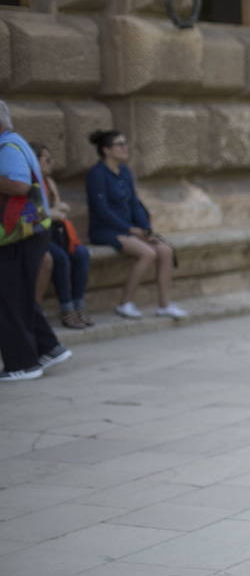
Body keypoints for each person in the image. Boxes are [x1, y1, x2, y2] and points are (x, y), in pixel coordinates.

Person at [0, 103, 71, 382]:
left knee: (9, 302)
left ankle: (22, 364)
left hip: (18, 234)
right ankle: (49, 348)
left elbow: (18, 186)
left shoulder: (7, 148)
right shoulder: (15, 142)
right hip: (30, 230)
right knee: (17, 297)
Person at [85, 129, 188, 320]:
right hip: (106, 230)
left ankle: (164, 305)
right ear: (106, 150)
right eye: (120, 144)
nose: (125, 148)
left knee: (165, 250)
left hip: (130, 230)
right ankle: (126, 303)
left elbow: (134, 202)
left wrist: (145, 229)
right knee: (147, 253)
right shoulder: (96, 174)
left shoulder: (125, 171)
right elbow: (102, 210)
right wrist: (130, 229)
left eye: (125, 143)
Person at [32, 143, 94, 329]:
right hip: (37, 235)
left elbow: (57, 208)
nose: (51, 163)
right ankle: (66, 310)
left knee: (82, 253)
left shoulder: (49, 182)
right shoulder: (27, 184)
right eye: (47, 160)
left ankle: (78, 306)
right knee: (60, 258)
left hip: (56, 232)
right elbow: (30, 216)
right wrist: (52, 212)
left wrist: (58, 209)